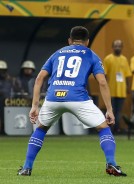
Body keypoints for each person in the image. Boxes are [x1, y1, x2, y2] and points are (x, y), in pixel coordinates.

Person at [17, 26, 127, 177]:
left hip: (53, 98)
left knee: (41, 129)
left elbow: (39, 79)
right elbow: (102, 82)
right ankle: (111, 164)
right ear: (87, 42)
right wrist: (109, 109)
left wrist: (34, 106)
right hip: (78, 98)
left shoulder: (57, 53)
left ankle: (26, 168)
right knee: (103, 128)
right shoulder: (91, 55)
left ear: (69, 40)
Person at [104, 40, 132, 134]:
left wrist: (128, 87)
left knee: (119, 111)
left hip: (121, 90)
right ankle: (110, 129)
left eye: (119, 46)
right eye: (116, 46)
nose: (117, 48)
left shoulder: (124, 59)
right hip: (111, 90)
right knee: (111, 110)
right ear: (112, 47)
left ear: (122, 47)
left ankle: (117, 128)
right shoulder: (108, 59)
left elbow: (127, 75)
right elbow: (105, 74)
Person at [0, 60, 16, 134]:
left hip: (7, 101)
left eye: (3, 70)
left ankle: (4, 130)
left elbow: (15, 89)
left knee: (6, 116)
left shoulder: (10, 79)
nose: (1, 72)